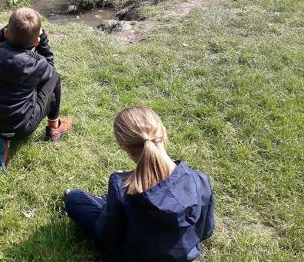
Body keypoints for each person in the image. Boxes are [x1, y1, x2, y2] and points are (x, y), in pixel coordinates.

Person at [64, 106, 214, 261]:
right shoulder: (200, 179)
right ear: (163, 132)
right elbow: (206, 231)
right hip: (185, 254)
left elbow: (107, 234)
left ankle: (106, 203)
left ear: (124, 148)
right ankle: (108, 203)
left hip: (133, 257)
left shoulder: (122, 189)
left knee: (75, 199)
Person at [0, 7, 72, 169]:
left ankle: (4, 139)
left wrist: (3, 31)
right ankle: (54, 127)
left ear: (6, 33)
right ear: (36, 43)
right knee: (55, 77)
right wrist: (44, 42)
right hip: (24, 127)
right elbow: (50, 71)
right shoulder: (37, 63)